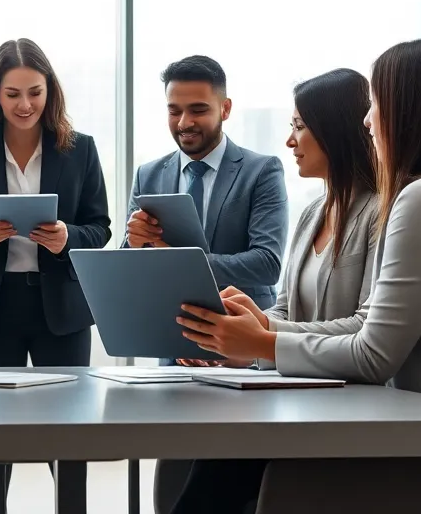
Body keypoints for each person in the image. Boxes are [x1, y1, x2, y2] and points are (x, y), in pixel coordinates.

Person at [172, 35, 421, 514]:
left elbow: (374, 353)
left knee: (230, 461)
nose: (367, 120)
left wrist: (260, 344)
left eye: (376, 104)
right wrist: (263, 330)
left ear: (412, 111)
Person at [157, 68, 383, 503]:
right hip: (297, 390)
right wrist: (233, 339)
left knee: (221, 467)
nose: (290, 140)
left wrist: (259, 339)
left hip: (344, 401)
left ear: (335, 130)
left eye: (299, 126)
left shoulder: (380, 214)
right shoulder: (312, 213)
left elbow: (365, 328)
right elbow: (283, 310)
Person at [0, 38, 111, 514]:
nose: (25, 104)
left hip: (62, 306)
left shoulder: (80, 150)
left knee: (68, 429)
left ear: (50, 91)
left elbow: (100, 229)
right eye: (13, 94)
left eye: (35, 92)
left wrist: (67, 239)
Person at [123, 55, 288, 311]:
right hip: (168, 326)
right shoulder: (148, 174)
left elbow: (267, 264)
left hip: (239, 330)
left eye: (198, 110)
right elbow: (129, 268)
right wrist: (132, 244)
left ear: (225, 108)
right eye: (174, 110)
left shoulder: (262, 171)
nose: (184, 123)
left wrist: (185, 264)